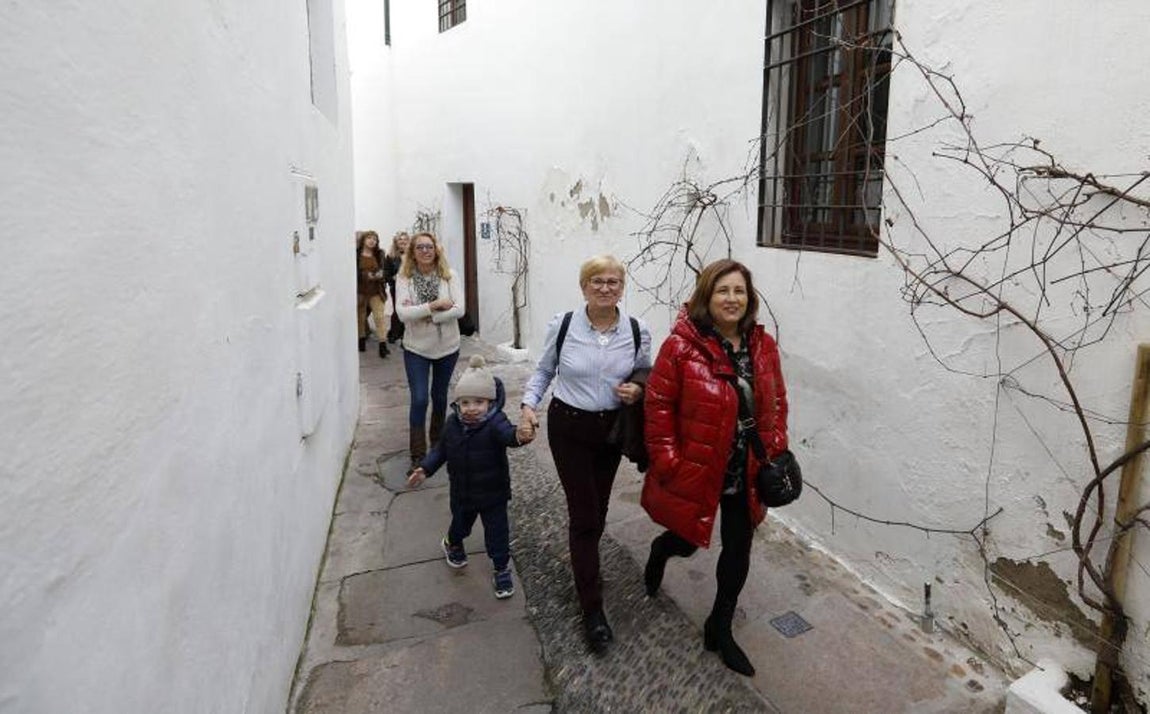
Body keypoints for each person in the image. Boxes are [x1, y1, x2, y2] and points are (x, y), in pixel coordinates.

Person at [641, 259, 789, 677]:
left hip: (748, 469)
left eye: (739, 291)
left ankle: (720, 627)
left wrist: (775, 447)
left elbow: (777, 401)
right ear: (707, 295)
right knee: (688, 540)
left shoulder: (764, 346)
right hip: (699, 467)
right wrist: (668, 459)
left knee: (738, 550)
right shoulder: (681, 346)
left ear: (749, 298)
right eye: (723, 290)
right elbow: (658, 405)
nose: (732, 299)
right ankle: (661, 550)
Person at [520, 255, 651, 653]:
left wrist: (638, 390)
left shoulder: (636, 329)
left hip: (610, 432)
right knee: (583, 514)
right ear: (584, 287)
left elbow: (645, 371)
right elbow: (544, 370)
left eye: (613, 282)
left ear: (622, 288)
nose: (606, 288)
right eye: (597, 281)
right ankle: (592, 609)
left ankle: (586, 564)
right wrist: (528, 406)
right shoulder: (563, 325)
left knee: (599, 507)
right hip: (569, 428)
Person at [407, 355, 534, 598]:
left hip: (493, 492)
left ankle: (501, 568)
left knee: (497, 533)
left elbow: (509, 436)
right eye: (465, 403)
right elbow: (441, 450)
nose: (472, 408)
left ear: (490, 402)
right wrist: (424, 468)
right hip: (462, 492)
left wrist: (520, 435)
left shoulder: (496, 422)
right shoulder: (452, 424)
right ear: (458, 405)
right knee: (460, 526)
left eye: (479, 402)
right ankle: (452, 543)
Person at [395, 232, 465, 465]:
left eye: (429, 247)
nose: (425, 251)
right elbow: (403, 314)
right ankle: (417, 453)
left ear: (436, 250)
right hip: (416, 348)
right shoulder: (405, 278)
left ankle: (437, 444)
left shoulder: (449, 275)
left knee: (440, 395)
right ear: (412, 253)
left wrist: (429, 316)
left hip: (447, 346)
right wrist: (434, 306)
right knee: (420, 398)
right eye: (420, 247)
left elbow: (459, 309)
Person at [356, 231, 391, 358]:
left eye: (375, 239)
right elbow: (353, 272)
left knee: (379, 317)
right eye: (369, 238)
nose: (372, 241)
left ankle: (383, 345)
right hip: (361, 290)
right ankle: (361, 341)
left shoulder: (379, 253)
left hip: (377, 290)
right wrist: (365, 275)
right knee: (360, 317)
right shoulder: (356, 254)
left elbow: (384, 268)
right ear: (364, 240)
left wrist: (381, 274)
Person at [384, 231, 409, 345]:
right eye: (400, 239)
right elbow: (386, 274)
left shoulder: (413, 255)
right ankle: (394, 333)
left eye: (405, 239)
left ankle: (406, 335)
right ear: (396, 242)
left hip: (410, 287)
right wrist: (394, 278)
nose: (403, 241)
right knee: (398, 310)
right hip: (396, 288)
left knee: (409, 310)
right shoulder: (390, 256)